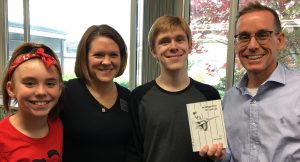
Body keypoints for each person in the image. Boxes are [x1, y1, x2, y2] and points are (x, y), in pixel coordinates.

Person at [200, 2, 300, 162]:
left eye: (262, 35)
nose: (252, 46)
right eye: (244, 37)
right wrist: (221, 155)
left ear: (280, 40)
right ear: (236, 45)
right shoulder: (230, 99)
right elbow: (232, 155)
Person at [128, 15, 222, 162]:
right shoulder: (138, 97)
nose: (173, 46)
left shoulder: (208, 95)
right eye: (164, 42)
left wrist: (218, 153)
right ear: (153, 51)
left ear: (189, 46)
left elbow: (213, 153)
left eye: (179, 39)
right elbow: (134, 153)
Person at [60, 24, 134, 161]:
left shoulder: (128, 97)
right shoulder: (65, 93)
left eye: (113, 55)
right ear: (85, 57)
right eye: (98, 55)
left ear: (121, 58)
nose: (106, 62)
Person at [0, 42, 64, 161]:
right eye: (29, 83)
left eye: (50, 84)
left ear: (60, 89)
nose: (41, 92)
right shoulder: (2, 139)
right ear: (11, 89)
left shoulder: (58, 126)